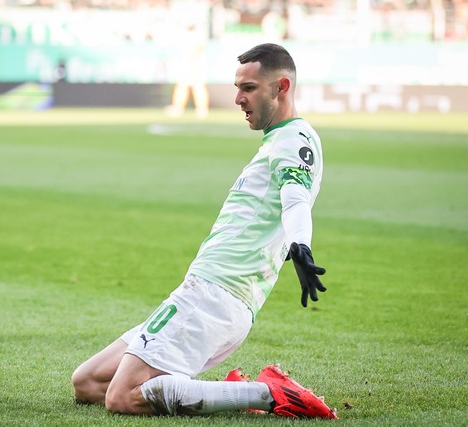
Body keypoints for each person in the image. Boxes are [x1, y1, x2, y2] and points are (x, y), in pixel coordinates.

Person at [71, 43, 337, 419]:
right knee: (87, 383)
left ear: (281, 87)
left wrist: (301, 246)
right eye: (237, 87)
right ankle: (216, 391)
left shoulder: (295, 140)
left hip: (216, 295)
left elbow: (296, 199)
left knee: (121, 397)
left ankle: (266, 392)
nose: (237, 98)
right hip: (209, 292)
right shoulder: (278, 140)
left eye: (248, 88)